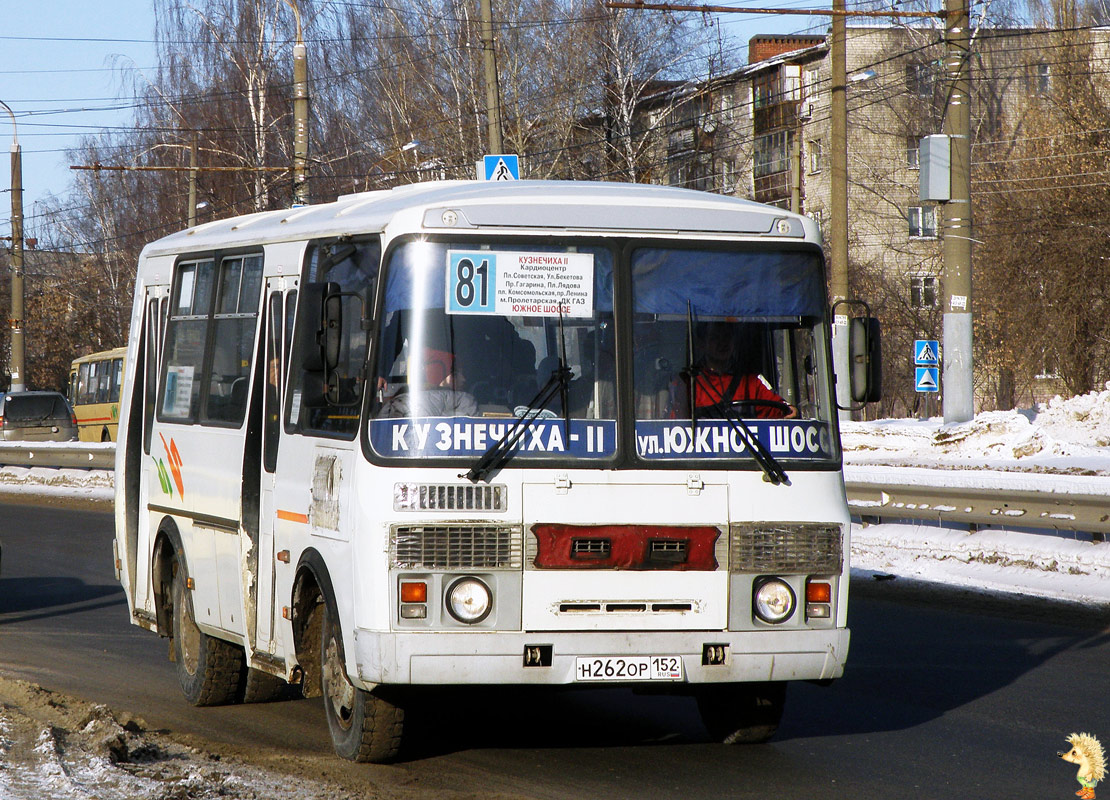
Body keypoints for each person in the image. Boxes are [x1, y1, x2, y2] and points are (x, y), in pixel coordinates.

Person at [672, 321, 797, 420]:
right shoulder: (687, 382)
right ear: (702, 343)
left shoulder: (750, 381)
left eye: (727, 337)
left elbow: (782, 411)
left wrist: (790, 410)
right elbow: (674, 426)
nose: (723, 343)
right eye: (715, 338)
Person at [379, 346, 477, 417]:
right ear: (441, 375)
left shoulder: (397, 403)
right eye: (455, 373)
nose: (464, 379)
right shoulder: (466, 402)